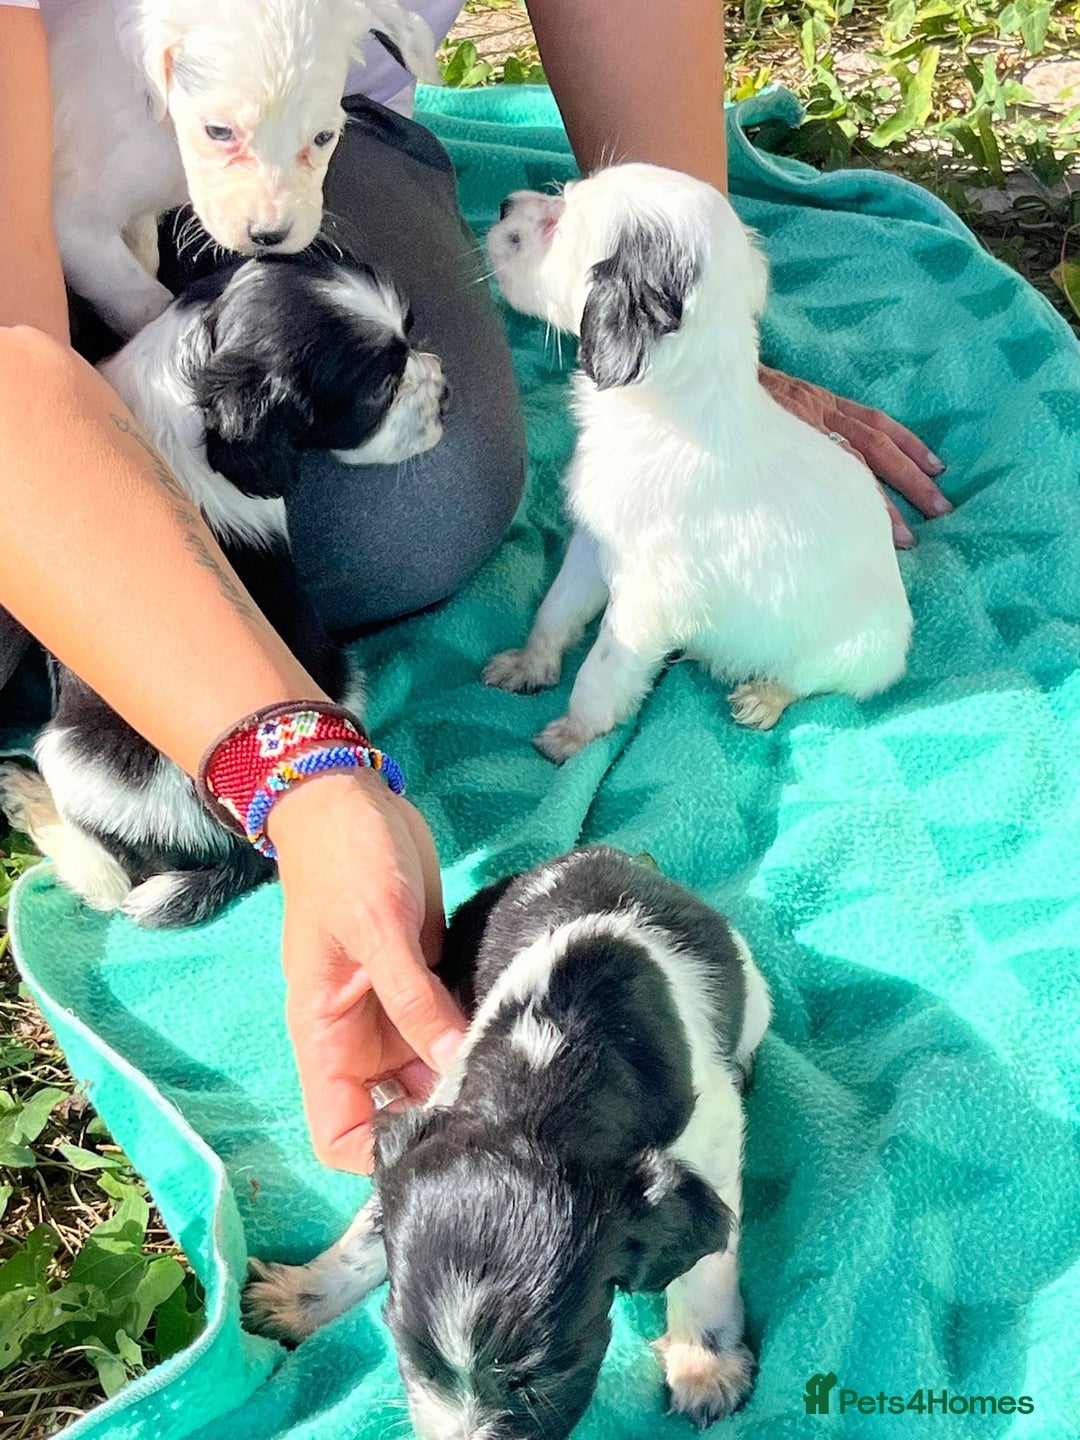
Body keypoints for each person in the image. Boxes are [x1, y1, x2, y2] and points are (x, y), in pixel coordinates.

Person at [0, 0, 949, 1174]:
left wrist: (693, 331)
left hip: (290, 128)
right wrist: (297, 768)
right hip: (39, 156)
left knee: (412, 503)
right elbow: (11, 366)